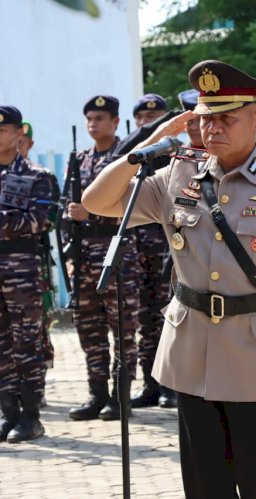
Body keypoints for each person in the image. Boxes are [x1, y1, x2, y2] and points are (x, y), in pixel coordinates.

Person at [82, 60, 256, 499]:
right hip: (191, 354)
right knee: (203, 488)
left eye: (226, 118)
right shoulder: (178, 172)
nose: (212, 128)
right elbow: (97, 200)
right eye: (205, 118)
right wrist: (148, 143)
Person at [66, 95, 140, 422]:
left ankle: (119, 396)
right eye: (90, 119)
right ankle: (96, 393)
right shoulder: (79, 160)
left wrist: (89, 213)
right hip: (84, 255)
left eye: (100, 118)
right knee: (89, 326)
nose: (94, 124)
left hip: (116, 251)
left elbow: (131, 205)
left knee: (122, 326)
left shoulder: (124, 160)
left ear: (114, 121)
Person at [0, 105, 57, 443]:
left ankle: (31, 416)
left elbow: (42, 220)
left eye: (3, 129)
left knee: (27, 344)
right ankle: (8, 413)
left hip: (21, 270)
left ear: (19, 132)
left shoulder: (38, 175)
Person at [126, 93, 176, 410]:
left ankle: (172, 385)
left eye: (156, 118)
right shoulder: (132, 157)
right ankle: (150, 384)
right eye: (144, 119)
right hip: (137, 251)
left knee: (169, 318)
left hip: (169, 252)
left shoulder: (176, 159)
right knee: (145, 320)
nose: (149, 123)